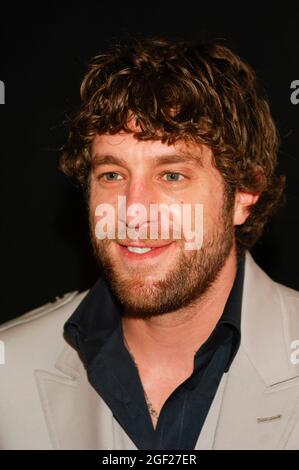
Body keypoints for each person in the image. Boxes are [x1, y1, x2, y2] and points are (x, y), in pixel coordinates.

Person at [1, 36, 299, 450]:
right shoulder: (7, 369)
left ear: (244, 195)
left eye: (172, 175)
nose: (134, 211)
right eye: (112, 175)